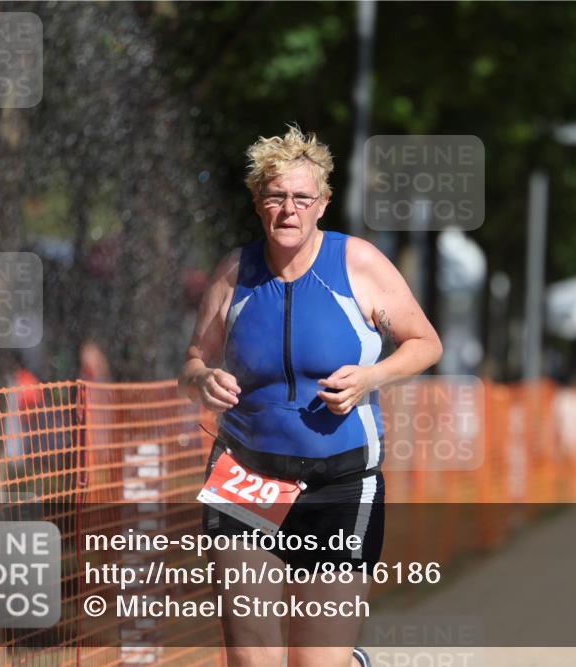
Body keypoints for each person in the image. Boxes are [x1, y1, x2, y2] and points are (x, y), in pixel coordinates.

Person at [178, 126, 442, 667]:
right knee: (253, 660)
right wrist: (203, 380)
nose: (289, 210)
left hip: (340, 483)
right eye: (275, 197)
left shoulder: (358, 264)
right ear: (257, 202)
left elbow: (425, 344)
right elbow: (192, 362)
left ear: (322, 203)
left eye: (302, 197)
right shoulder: (234, 274)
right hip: (246, 474)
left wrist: (371, 378)